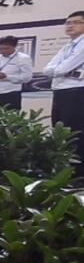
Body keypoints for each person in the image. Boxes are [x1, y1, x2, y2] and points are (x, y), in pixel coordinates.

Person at [44, 10, 84, 176]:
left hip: (77, 92)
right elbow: (47, 70)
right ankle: (65, 173)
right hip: (61, 91)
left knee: (75, 134)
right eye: (68, 23)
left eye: (76, 22)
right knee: (60, 132)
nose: (70, 26)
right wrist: (61, 71)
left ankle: (78, 175)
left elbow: (62, 68)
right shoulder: (67, 46)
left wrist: (60, 71)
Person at [0, 35, 35, 111]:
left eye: (6, 48)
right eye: (1, 49)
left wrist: (6, 77)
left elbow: (27, 77)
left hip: (10, 95)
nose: (3, 51)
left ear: (14, 46)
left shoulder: (23, 58)